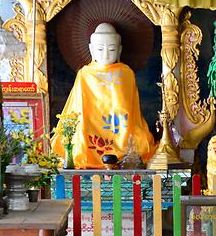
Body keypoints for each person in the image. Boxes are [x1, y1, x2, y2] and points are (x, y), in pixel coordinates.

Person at [50, 23, 155, 168]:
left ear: (119, 50)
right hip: (90, 127)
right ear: (91, 50)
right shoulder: (85, 74)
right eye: (100, 49)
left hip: (121, 128)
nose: (105, 54)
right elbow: (78, 105)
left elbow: (132, 109)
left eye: (111, 49)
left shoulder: (126, 73)